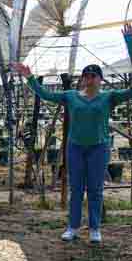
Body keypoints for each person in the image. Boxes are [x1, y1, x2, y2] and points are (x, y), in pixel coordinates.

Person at [13, 30, 132, 244]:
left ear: (100, 79)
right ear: (83, 79)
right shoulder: (71, 97)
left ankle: (95, 228)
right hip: (75, 147)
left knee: (95, 189)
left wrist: (130, 42)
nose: (89, 79)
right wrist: (29, 76)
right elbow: (46, 95)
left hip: (99, 147)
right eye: (86, 75)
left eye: (93, 75)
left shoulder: (109, 98)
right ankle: (73, 227)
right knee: (76, 189)